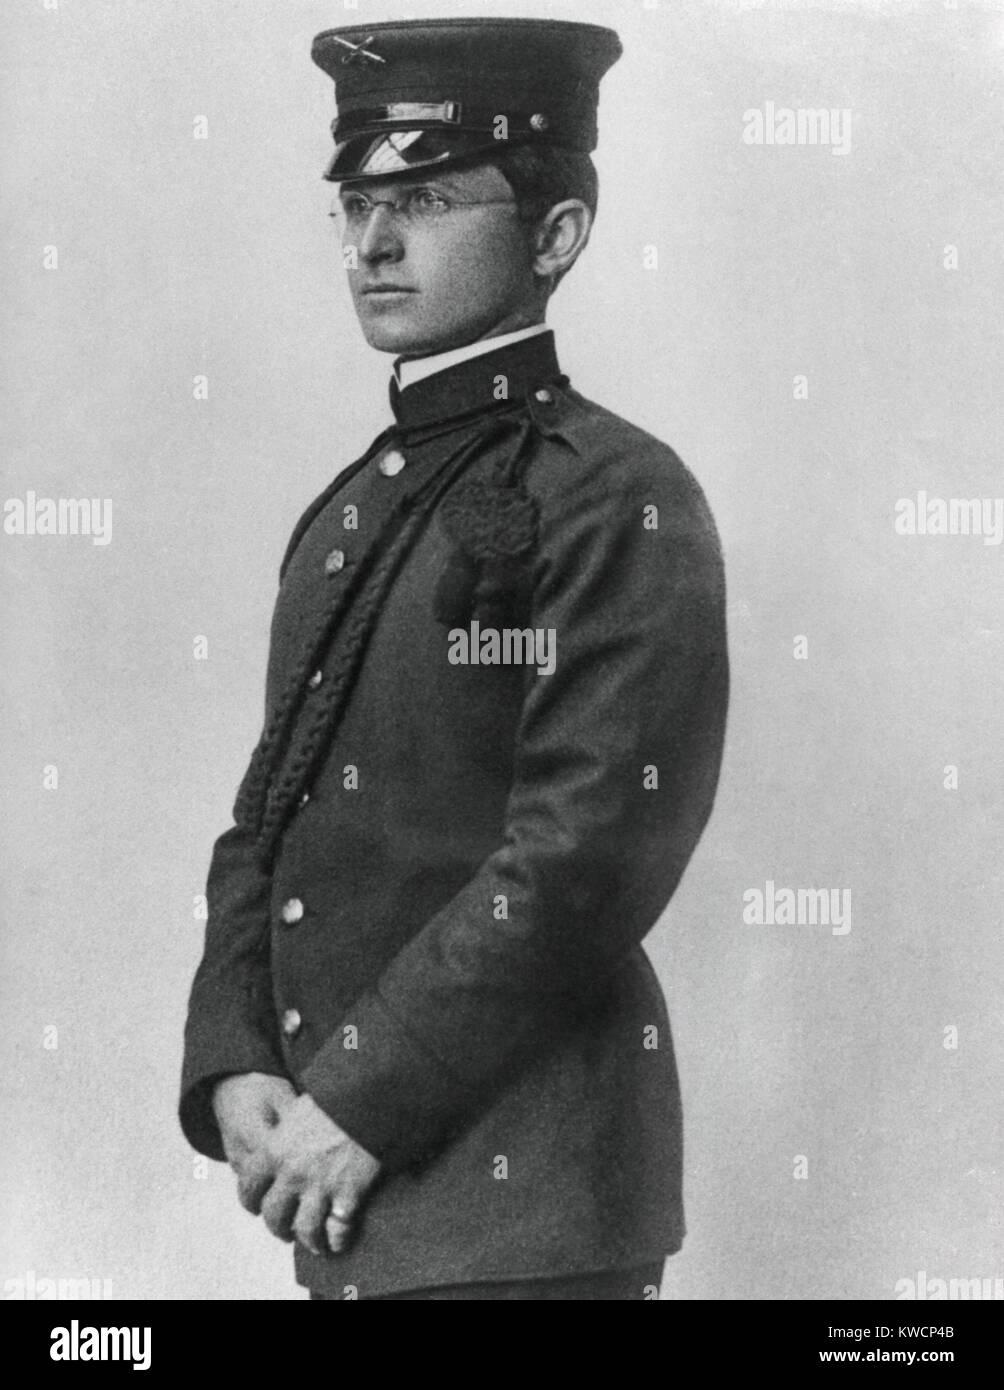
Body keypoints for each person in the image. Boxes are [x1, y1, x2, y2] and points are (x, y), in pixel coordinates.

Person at [180, 16, 729, 1301]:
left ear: (554, 237)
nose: (374, 242)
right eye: (359, 203)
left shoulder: (617, 495)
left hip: (527, 1207)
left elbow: (584, 855)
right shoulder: (348, 512)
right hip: (347, 1200)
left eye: (425, 198)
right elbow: (265, 820)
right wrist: (235, 1056)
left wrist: (358, 1100)